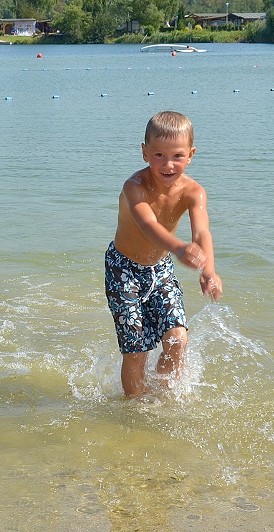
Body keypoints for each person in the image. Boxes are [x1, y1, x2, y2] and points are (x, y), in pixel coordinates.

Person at [105, 111, 222, 398]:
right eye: (158, 155)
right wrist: (179, 248)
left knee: (177, 340)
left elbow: (202, 234)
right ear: (144, 152)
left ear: (191, 155)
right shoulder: (135, 187)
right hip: (123, 270)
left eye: (177, 156)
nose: (168, 165)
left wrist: (209, 271)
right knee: (137, 350)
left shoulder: (194, 192)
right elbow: (148, 225)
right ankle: (135, 406)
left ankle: (164, 396)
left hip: (160, 270)